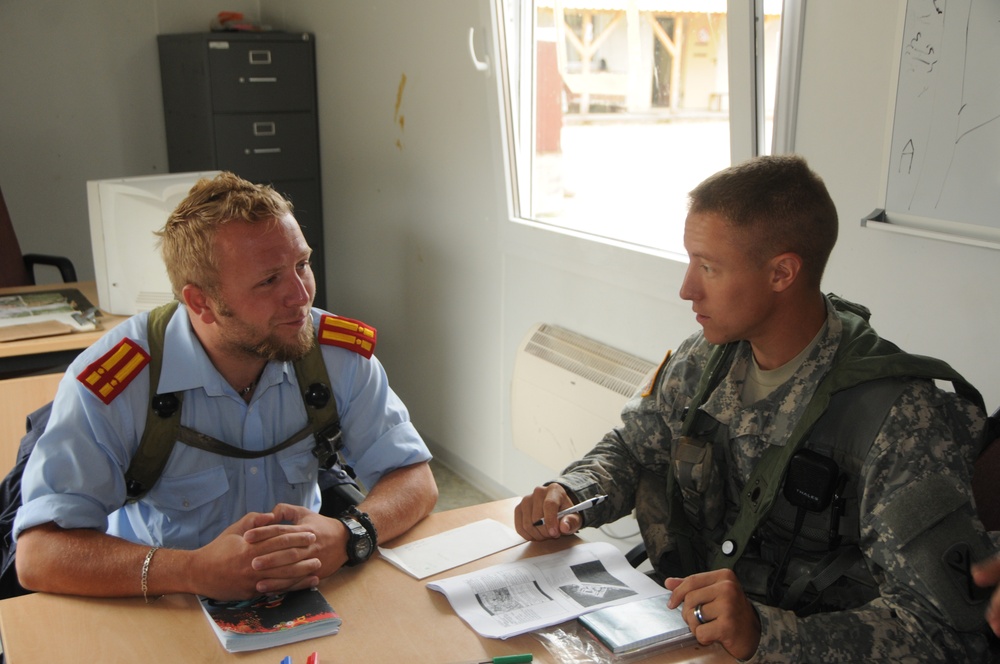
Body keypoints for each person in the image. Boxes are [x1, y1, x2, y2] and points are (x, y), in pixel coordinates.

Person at [514, 155, 996, 662]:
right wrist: (571, 492)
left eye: (708, 267)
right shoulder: (706, 359)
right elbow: (635, 449)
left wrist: (768, 634)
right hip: (680, 626)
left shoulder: (899, 419)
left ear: (782, 273)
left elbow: (945, 635)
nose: (686, 288)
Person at [13, 172, 438, 601]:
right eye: (269, 280)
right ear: (201, 302)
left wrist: (350, 533)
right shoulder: (121, 380)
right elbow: (39, 554)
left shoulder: (332, 354)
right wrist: (190, 570)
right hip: (165, 601)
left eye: (302, 265)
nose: (301, 295)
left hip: (303, 588)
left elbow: (414, 478)